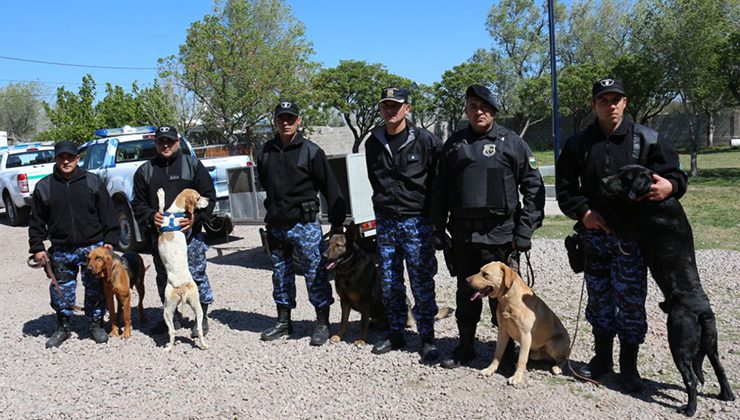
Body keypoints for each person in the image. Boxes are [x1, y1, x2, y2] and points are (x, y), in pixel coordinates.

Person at [555, 77, 687, 392]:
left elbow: (675, 176)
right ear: (594, 105)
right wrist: (584, 213)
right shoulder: (579, 144)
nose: (610, 105)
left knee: (630, 302)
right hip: (595, 237)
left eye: (616, 99)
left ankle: (629, 367)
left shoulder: (648, 139)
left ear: (625, 103)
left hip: (633, 238)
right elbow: (565, 188)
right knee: (599, 299)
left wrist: (671, 186)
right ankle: (602, 360)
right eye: (604, 100)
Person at [431, 84, 545, 369]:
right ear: (467, 110)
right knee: (466, 293)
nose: (478, 111)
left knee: (503, 298)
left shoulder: (512, 142)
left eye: (484, 107)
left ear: (493, 110)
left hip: (501, 236)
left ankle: (505, 354)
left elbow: (534, 188)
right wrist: (437, 229)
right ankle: (466, 346)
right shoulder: (455, 144)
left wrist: (525, 231)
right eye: (472, 106)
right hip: (463, 236)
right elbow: (440, 189)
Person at [256, 100, 346, 346]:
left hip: (304, 225)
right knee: (280, 274)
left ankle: (322, 324)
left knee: (315, 273)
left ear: (298, 121)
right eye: (281, 118)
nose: (286, 122)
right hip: (276, 224)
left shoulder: (311, 151)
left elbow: (330, 187)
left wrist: (337, 224)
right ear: (274, 121)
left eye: (290, 118)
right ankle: (284, 322)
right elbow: (265, 183)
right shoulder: (264, 152)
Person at [364, 86, 443, 362]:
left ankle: (427, 338)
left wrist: (436, 224)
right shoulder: (372, 142)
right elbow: (375, 181)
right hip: (386, 222)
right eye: (386, 105)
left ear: (407, 109)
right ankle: (396, 332)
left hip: (416, 221)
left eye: (396, 106)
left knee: (421, 282)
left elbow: (437, 184)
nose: (390, 110)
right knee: (389, 282)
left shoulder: (426, 141)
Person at [28, 140, 120, 348]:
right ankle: (63, 326)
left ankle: (96, 324)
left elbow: (108, 214)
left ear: (78, 159)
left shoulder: (92, 181)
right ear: (56, 159)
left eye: (71, 157)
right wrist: (37, 248)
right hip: (61, 249)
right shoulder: (44, 187)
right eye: (62, 157)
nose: (66, 161)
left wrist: (110, 242)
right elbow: (36, 222)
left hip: (93, 247)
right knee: (61, 289)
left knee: (95, 288)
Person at [131, 126, 217, 337]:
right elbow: (137, 203)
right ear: (156, 143)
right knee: (164, 276)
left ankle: (201, 316)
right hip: (163, 239)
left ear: (178, 141)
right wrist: (151, 216)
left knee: (196, 273)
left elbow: (208, 197)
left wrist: (197, 219)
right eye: (161, 141)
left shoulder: (193, 165)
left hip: (190, 236)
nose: (166, 145)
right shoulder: (145, 171)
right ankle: (172, 317)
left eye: (170, 141)